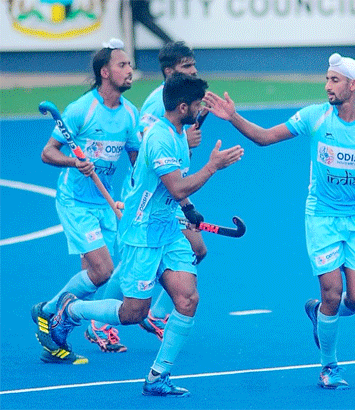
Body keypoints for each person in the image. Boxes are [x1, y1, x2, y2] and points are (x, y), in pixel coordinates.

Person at [202, 53, 355, 389]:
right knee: (334, 292)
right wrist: (233, 117)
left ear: (354, 85)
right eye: (326, 79)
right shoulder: (314, 117)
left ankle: (319, 313)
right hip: (321, 217)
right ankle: (329, 366)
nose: (327, 86)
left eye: (334, 80)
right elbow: (264, 137)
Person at [38, 73, 244, 397]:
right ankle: (72, 309)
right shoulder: (160, 137)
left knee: (188, 299)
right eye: (197, 104)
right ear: (181, 106)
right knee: (134, 312)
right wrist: (213, 167)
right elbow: (176, 185)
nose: (200, 109)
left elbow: (174, 188)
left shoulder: (179, 133)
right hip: (141, 235)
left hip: (168, 229)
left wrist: (188, 209)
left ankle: (157, 377)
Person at [84, 41, 206, 352]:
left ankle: (156, 315)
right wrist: (192, 152)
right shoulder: (155, 107)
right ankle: (98, 322)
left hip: (167, 196)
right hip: (149, 197)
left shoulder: (182, 104)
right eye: (186, 67)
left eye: (193, 65)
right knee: (135, 264)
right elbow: (147, 157)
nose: (193, 71)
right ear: (169, 71)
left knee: (198, 250)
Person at [32, 38, 140, 364]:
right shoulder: (82, 109)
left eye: (130, 65)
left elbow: (139, 166)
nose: (129, 70)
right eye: (123, 65)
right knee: (103, 270)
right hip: (75, 200)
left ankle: (55, 339)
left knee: (90, 281)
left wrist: (127, 201)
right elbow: (48, 153)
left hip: (104, 204)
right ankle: (48, 310)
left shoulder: (130, 116)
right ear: (105, 72)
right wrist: (74, 162)